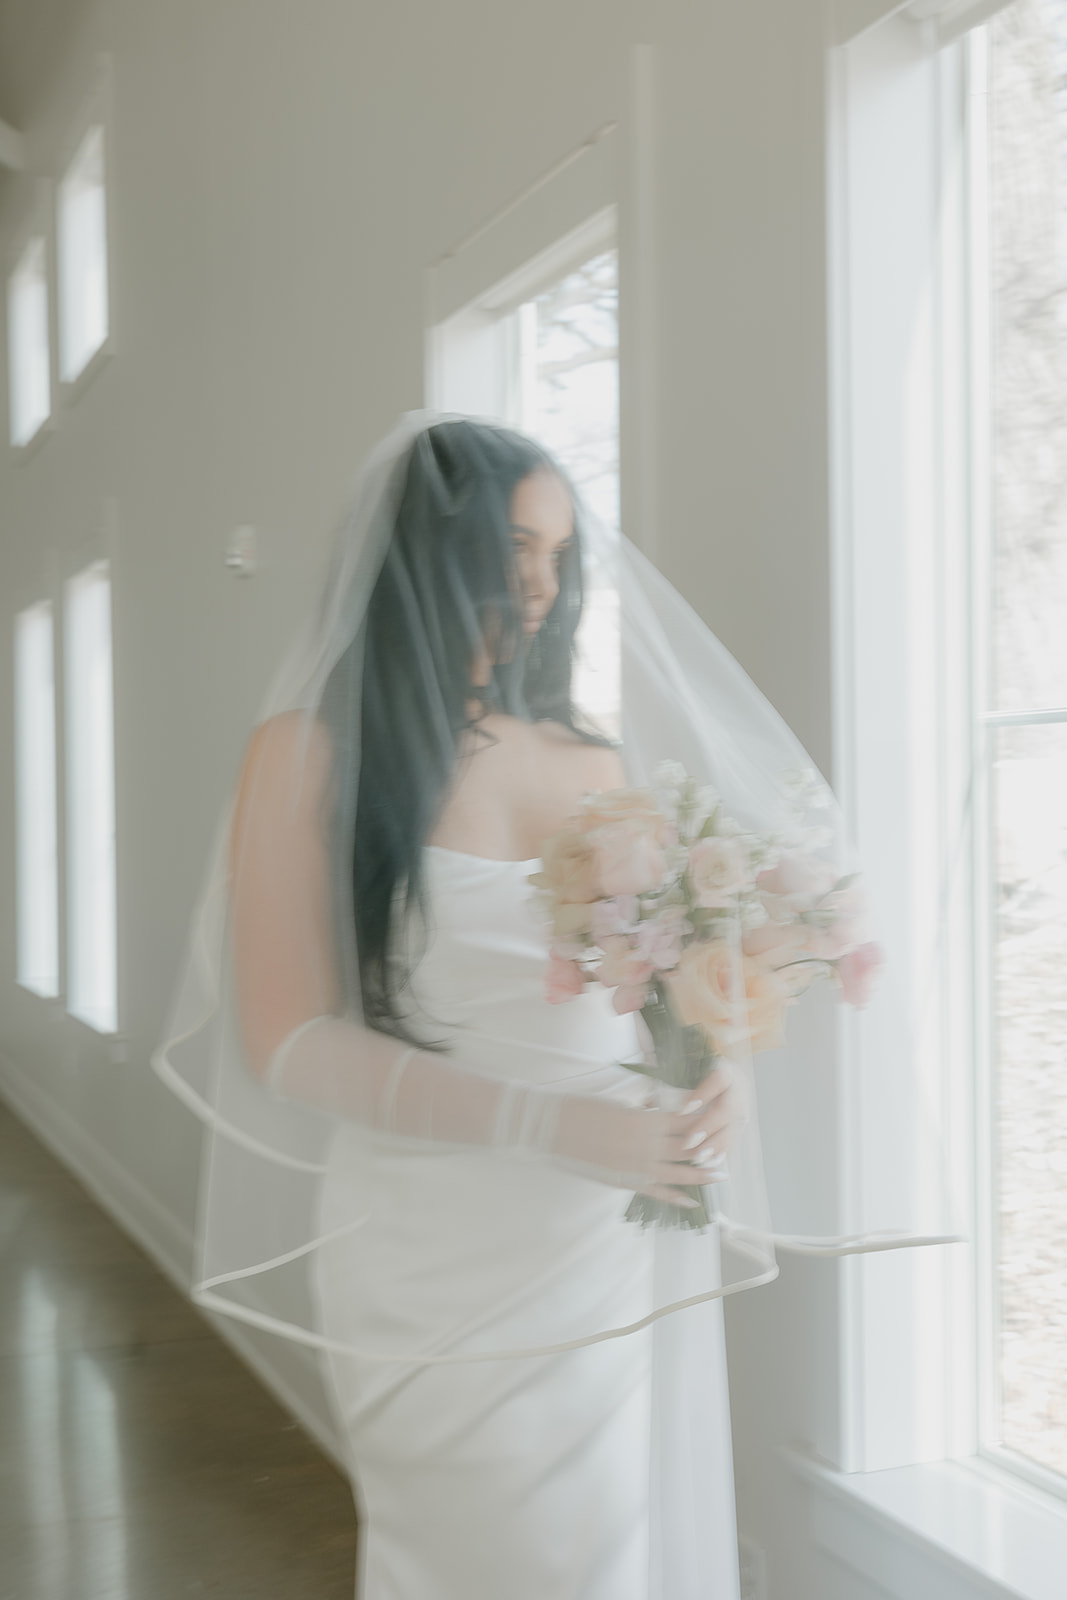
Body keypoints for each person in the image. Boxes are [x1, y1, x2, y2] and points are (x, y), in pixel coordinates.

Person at [226, 418, 744, 1598]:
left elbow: (658, 985)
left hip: (604, 1238)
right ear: (424, 546)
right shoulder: (306, 751)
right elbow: (287, 1041)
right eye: (511, 544)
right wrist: (552, 1125)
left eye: (558, 552)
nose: (538, 582)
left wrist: (713, 1071)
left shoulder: (590, 756)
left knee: (607, 1556)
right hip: (430, 1250)